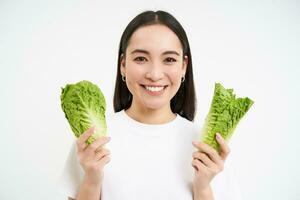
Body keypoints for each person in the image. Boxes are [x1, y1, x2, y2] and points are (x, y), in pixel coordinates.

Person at [58, 10, 242, 200]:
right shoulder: (93, 140)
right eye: (140, 58)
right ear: (123, 64)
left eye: (169, 59)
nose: (155, 74)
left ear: (183, 66)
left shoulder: (208, 149)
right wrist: (92, 180)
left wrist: (202, 188)